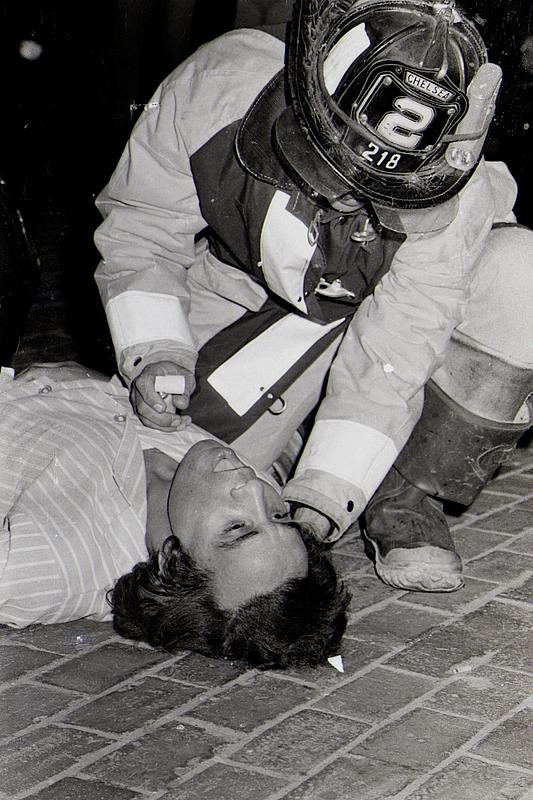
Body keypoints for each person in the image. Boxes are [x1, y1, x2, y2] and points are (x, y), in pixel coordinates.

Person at [94, 0, 533, 595]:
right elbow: (143, 228)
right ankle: (290, 439)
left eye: (379, 189)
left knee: (521, 275)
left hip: (403, 325)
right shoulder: (216, 88)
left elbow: (398, 345)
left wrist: (332, 487)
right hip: (248, 298)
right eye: (335, 171)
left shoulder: (456, 191)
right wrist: (157, 350)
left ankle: (401, 494)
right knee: (169, 473)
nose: (351, 206)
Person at [0, 363, 349, 668]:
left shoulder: (56, 565)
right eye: (278, 516)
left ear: (172, 563)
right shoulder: (211, 476)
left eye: (238, 527)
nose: (254, 489)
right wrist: (81, 378)